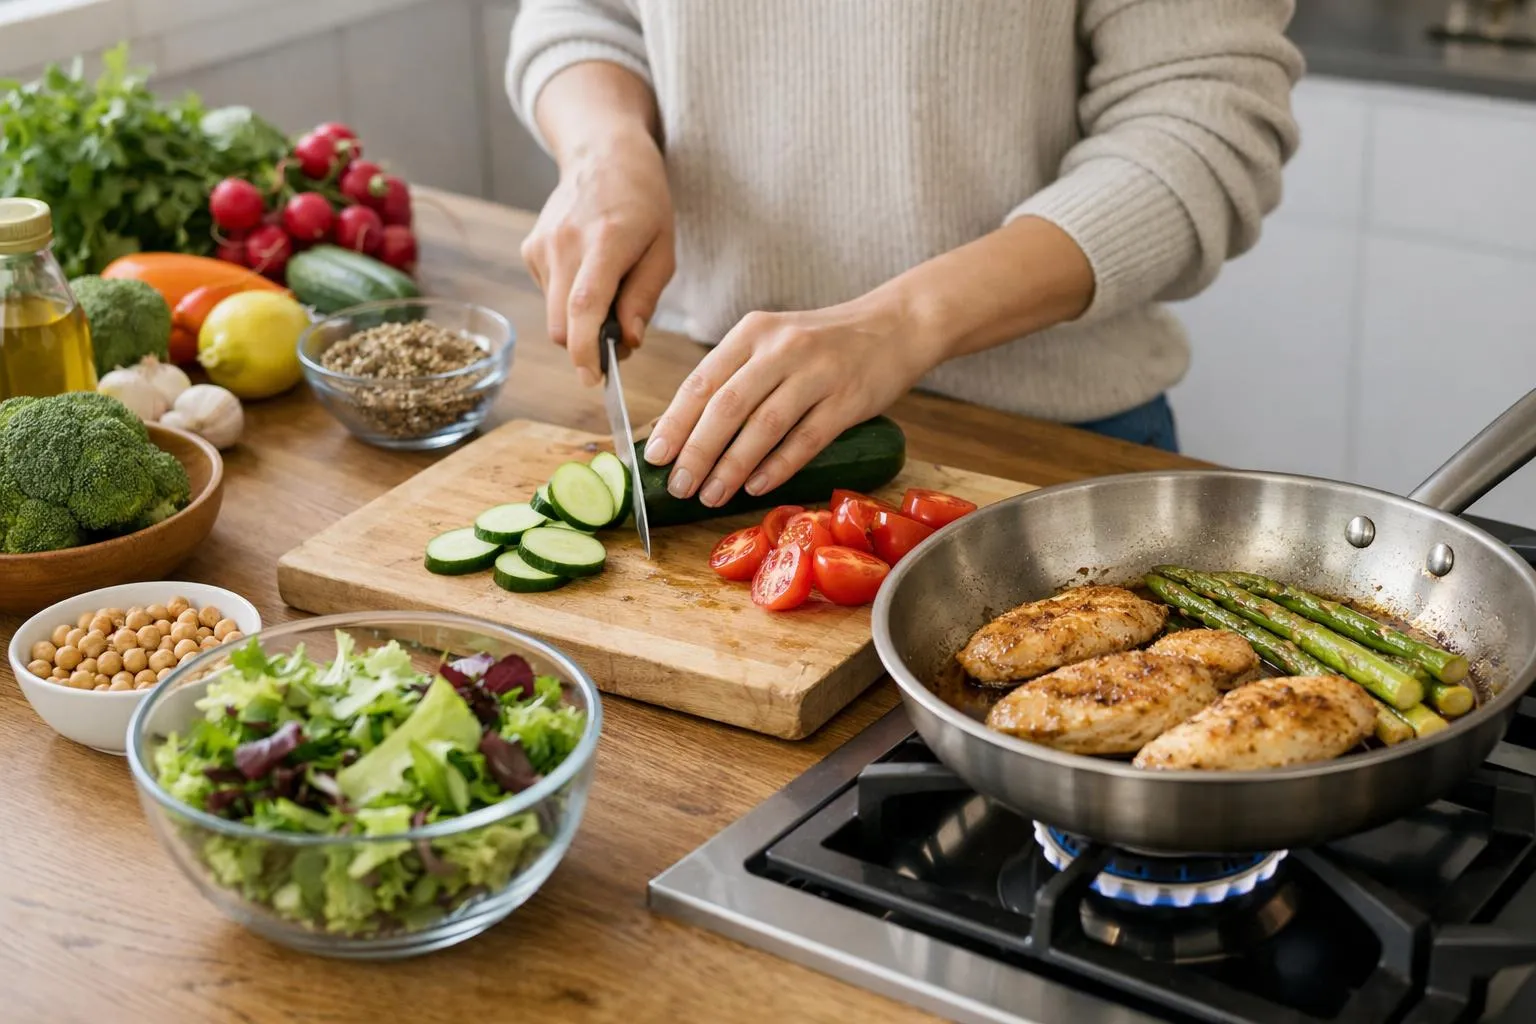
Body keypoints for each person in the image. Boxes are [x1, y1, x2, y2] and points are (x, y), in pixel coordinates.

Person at [508, 1, 1301, 509]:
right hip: (732, 407)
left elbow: (1205, 126)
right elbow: (586, 14)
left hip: (1040, 451)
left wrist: (907, 320)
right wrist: (602, 145)